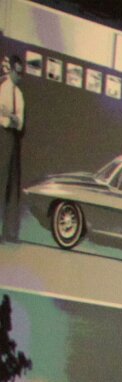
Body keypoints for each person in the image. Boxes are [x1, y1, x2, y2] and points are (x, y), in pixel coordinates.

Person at [0, 61, 23, 245]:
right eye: (17, 72)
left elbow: (19, 122)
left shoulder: (19, 94)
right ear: (12, 71)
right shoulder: (3, 88)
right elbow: (2, 117)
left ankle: (9, 233)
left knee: (11, 186)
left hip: (14, 139)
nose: (19, 77)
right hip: (3, 135)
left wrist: (11, 116)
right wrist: (10, 118)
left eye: (21, 74)